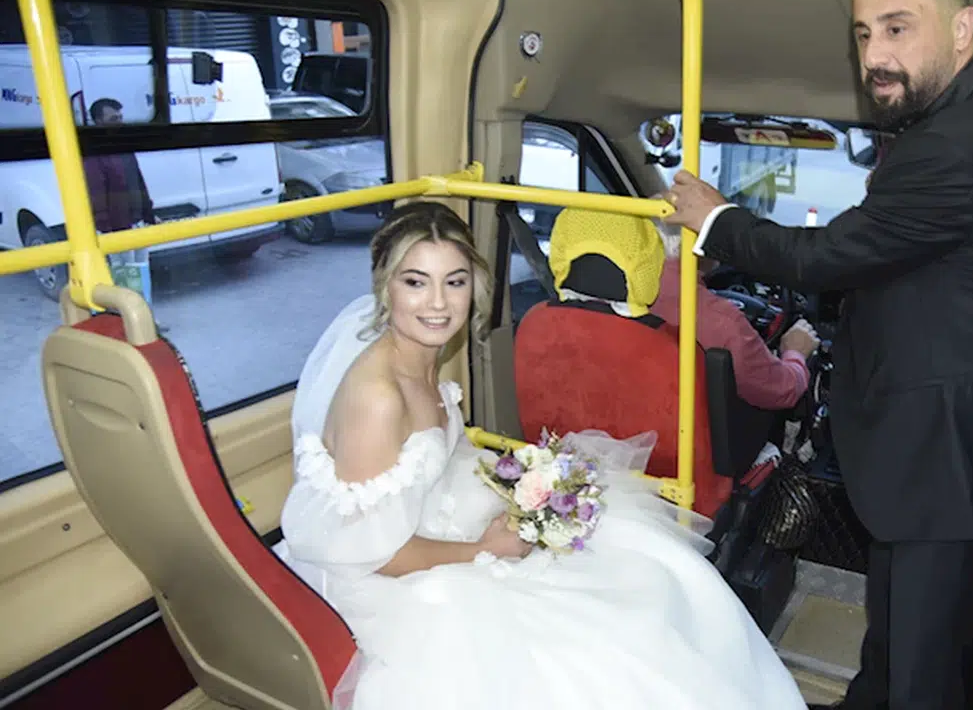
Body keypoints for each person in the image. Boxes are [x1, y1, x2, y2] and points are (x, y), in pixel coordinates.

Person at [664, 0, 973, 708]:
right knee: (911, 640)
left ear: (962, 28)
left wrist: (717, 219)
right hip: (969, 452)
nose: (875, 56)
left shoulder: (959, 142)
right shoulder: (967, 115)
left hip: (955, 465)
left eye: (897, 29)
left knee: (921, 667)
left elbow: (827, 256)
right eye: (863, 34)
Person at [275, 200, 808, 710]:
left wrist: (522, 492)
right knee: (592, 652)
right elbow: (372, 552)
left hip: (435, 523)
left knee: (649, 563)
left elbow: (432, 466)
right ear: (385, 286)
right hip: (390, 576)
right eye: (416, 282)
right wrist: (487, 548)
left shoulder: (422, 354)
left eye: (454, 282)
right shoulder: (377, 399)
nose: (437, 304)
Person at [649, 220, 821, 410]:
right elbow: (782, 391)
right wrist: (796, 353)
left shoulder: (630, 290)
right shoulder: (722, 321)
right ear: (698, 240)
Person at [84, 97, 165, 329]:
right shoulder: (93, 153)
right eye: (113, 119)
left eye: (120, 117)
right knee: (125, 279)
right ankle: (130, 325)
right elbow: (96, 192)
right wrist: (107, 230)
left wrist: (149, 214)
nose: (119, 122)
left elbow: (138, 181)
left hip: (137, 222)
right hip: (117, 228)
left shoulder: (122, 145)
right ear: (98, 121)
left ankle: (147, 320)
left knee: (142, 274)